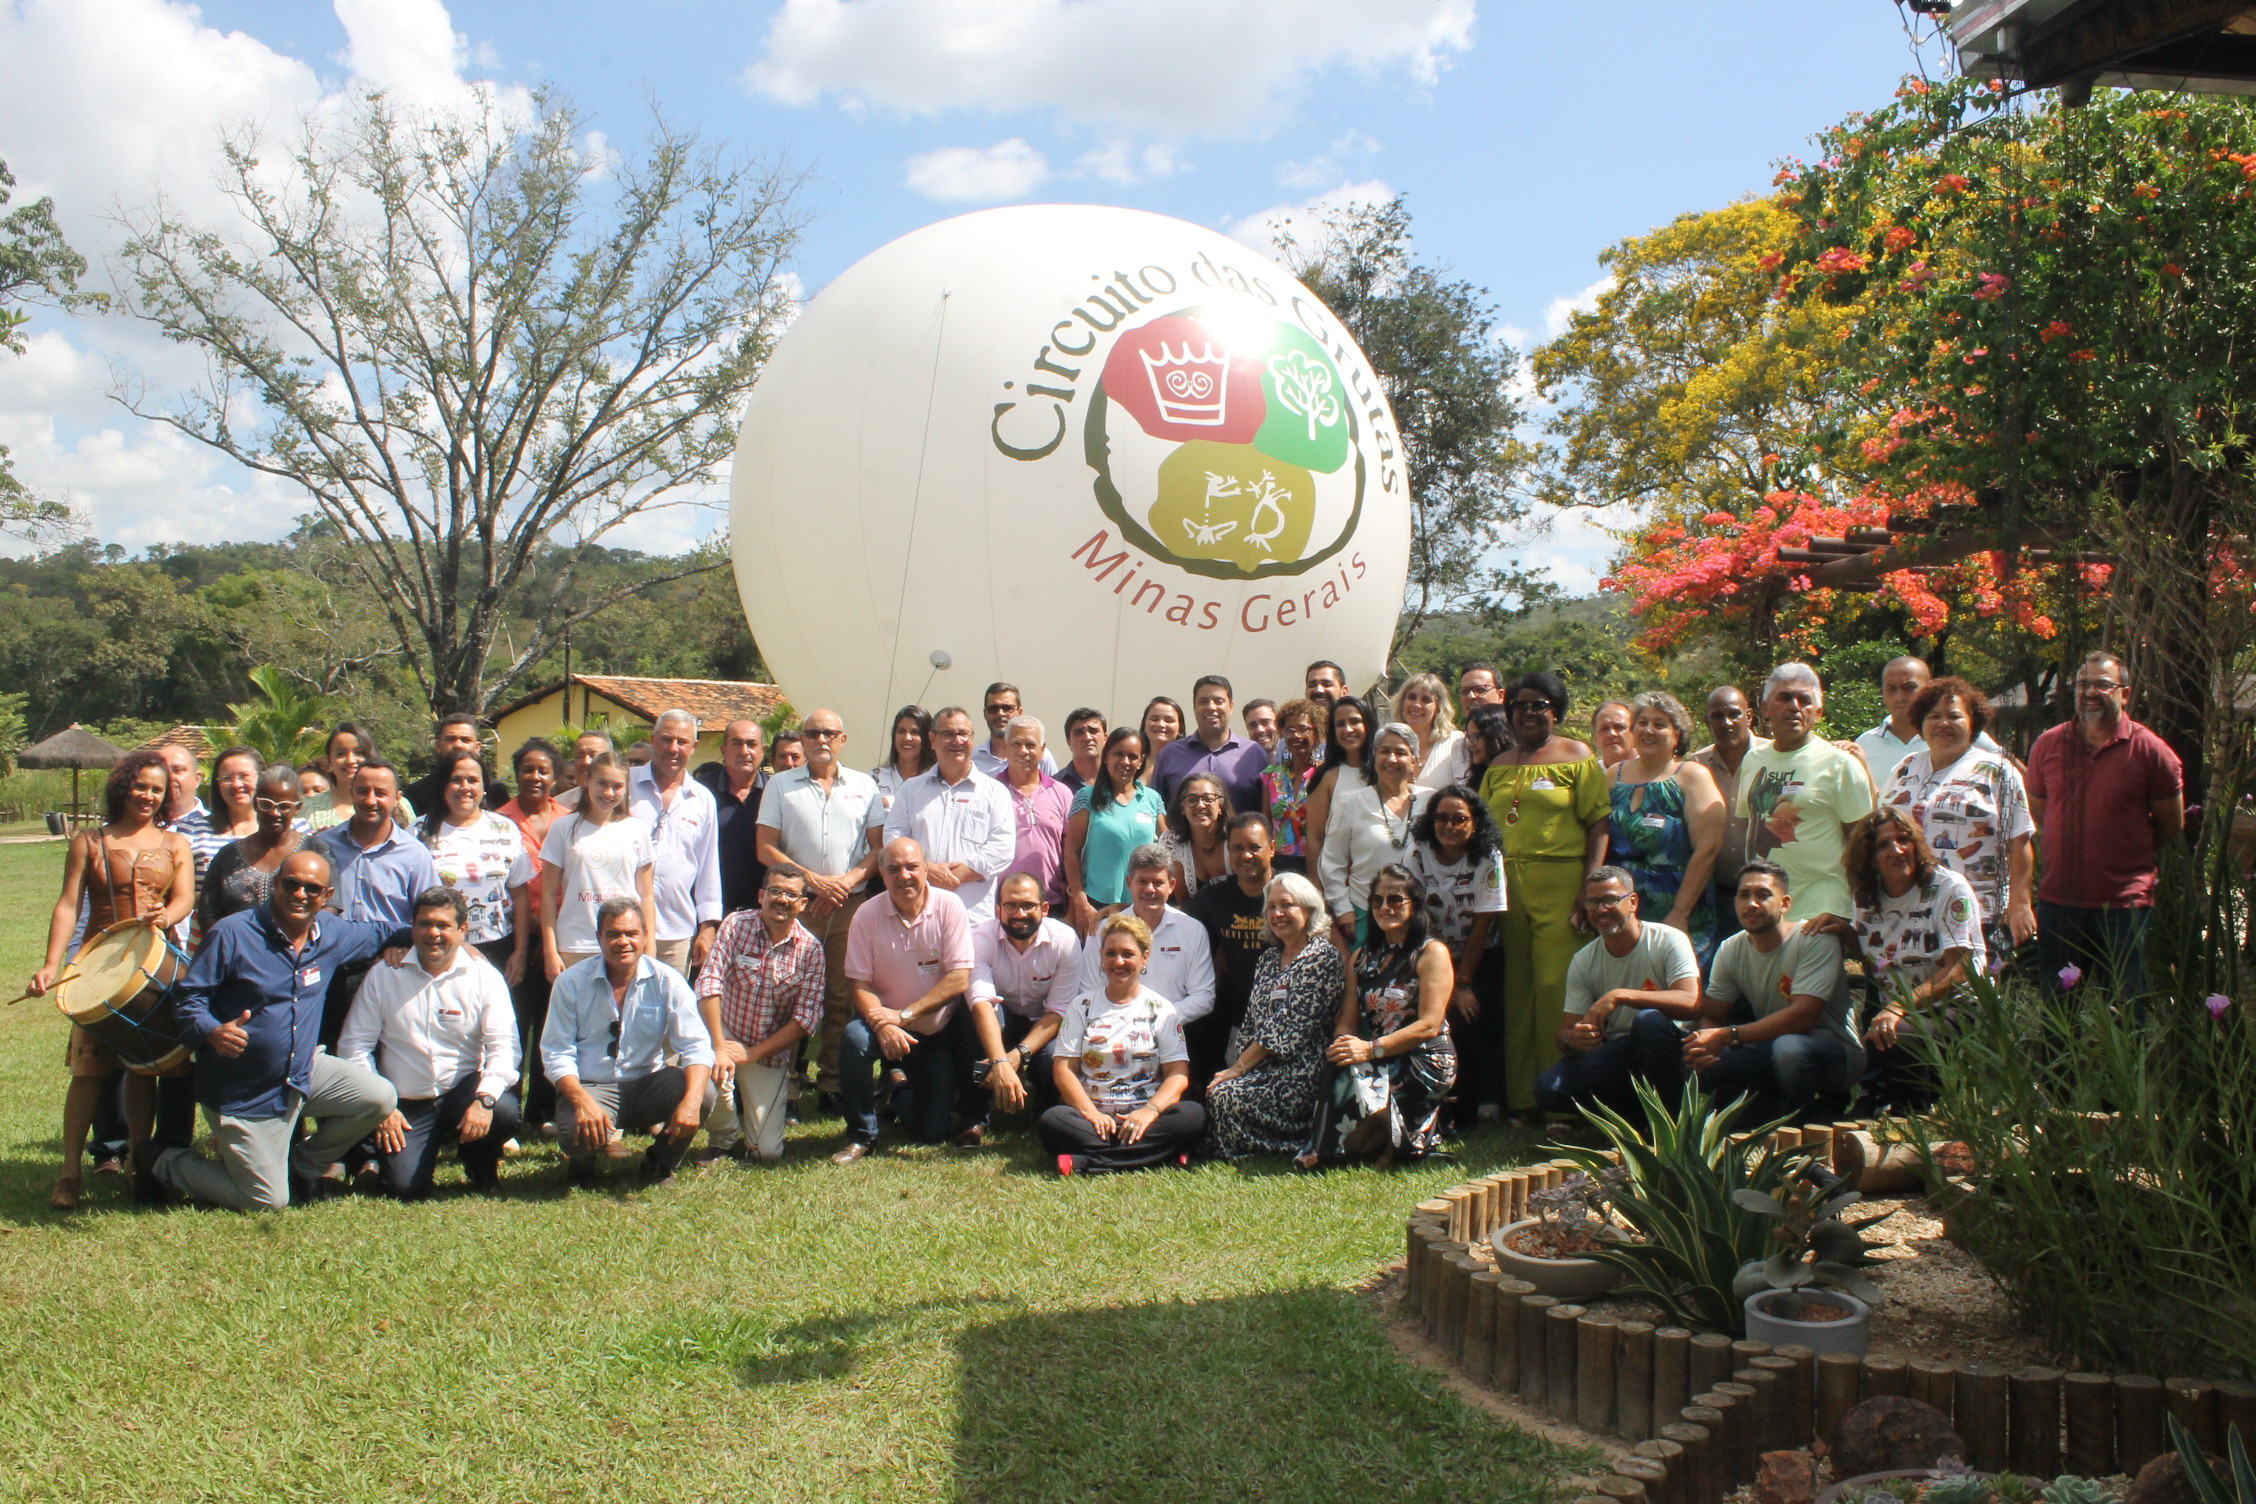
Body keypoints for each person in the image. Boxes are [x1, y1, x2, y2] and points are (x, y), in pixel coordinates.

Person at [143, 849, 406, 1210]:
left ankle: (304, 1165)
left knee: (379, 1097)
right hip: (242, 1091)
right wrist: (213, 1031)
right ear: (274, 886)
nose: (300, 894)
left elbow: (388, 931)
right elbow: (188, 1000)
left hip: (301, 1073)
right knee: (266, 1200)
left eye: (312, 889)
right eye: (291, 884)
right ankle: (163, 1161)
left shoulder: (331, 933)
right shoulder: (233, 933)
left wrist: (448, 942)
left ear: (327, 897)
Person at [27, 750, 195, 1210]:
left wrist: (167, 914)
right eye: (141, 785)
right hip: (97, 968)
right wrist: (51, 964)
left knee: (144, 1071)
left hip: (152, 963)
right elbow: (68, 905)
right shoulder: (88, 841)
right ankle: (68, 1174)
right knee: (88, 1072)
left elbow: (184, 899)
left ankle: (137, 1166)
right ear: (124, 786)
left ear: (166, 796)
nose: (148, 795)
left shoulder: (175, 844)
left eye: (157, 789)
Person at [1483, 672, 1611, 1121]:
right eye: (1519, 705)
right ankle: (1523, 1100)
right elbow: (1484, 829)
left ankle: (1562, 1099)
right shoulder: (1498, 765)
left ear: (1555, 711)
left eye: (1539, 705)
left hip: (1562, 883)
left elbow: (1599, 823)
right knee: (1518, 991)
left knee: (1556, 988)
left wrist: (1588, 888)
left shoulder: (1577, 756)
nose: (1528, 713)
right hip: (1508, 891)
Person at [338, 887, 521, 1198]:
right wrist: (381, 1106)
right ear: (413, 927)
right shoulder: (385, 975)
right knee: (405, 1188)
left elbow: (505, 1048)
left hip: (462, 1090)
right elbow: (354, 1046)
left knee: (503, 1109)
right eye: (424, 924)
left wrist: (485, 1100)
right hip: (405, 1102)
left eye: (444, 925)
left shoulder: (484, 976)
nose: (433, 933)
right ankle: (383, 1158)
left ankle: (480, 1162)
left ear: (463, 930)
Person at [2024, 651, 2183, 998]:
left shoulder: (2150, 750)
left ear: (2124, 693)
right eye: (2083, 684)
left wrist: (2123, 849)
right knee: (2057, 1014)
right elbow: (2040, 811)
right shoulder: (2048, 745)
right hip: (2059, 902)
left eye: (2102, 684)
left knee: (2126, 1014)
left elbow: (2171, 823)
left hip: (2123, 908)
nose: (2090, 691)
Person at [1811, 810, 1984, 1109]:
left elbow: (1959, 969)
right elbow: (1877, 964)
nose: (1898, 850)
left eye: (1904, 840)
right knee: (1880, 1027)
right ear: (1869, 858)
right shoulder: (1866, 899)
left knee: (1898, 1032)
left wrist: (1898, 1007)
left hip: (1958, 1008)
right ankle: (1882, 1106)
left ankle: (1915, 1120)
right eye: (1884, 845)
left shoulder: (1949, 889)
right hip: (1902, 1007)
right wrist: (1844, 931)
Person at [754, 707, 880, 1114]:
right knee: (787, 994)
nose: (821, 739)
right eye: (812, 733)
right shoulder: (780, 786)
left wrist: (843, 883)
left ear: (843, 739)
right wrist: (812, 882)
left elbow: (879, 847)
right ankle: (784, 1087)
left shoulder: (865, 785)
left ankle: (832, 1083)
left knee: (841, 996)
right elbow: (765, 846)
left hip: (849, 904)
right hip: (796, 905)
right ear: (803, 741)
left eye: (829, 733)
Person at [541, 898, 715, 1189]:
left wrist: (692, 1102)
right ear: (599, 938)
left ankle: (659, 1163)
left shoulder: (667, 980)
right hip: (592, 1088)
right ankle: (583, 1165)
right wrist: (582, 1101)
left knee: (704, 1093)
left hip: (648, 1085)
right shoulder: (570, 983)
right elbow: (556, 1053)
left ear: (646, 935)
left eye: (631, 933)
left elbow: (696, 1046)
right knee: (573, 1125)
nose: (623, 941)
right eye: (613, 934)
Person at [1302, 865, 1456, 1167]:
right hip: (1379, 1057)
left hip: (1423, 1057)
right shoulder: (1362, 957)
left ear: (1414, 905)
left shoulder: (1431, 953)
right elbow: (1347, 1017)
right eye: (1377, 901)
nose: (1385, 907)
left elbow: (1429, 1025)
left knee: (1366, 1076)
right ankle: (1339, 1145)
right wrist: (1343, 1043)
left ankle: (1397, 1142)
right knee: (1338, 1068)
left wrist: (1371, 1048)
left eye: (1396, 900)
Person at [833, 838, 976, 1162]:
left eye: (912, 867)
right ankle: (861, 1135)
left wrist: (905, 1016)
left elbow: (959, 978)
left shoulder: (949, 907)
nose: (904, 876)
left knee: (932, 1131)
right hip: (882, 1025)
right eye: (894, 869)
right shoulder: (866, 914)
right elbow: (859, 985)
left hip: (930, 1032)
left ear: (926, 869)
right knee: (854, 1039)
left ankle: (896, 1089)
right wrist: (884, 1024)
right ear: (882, 875)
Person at [1685, 861, 1861, 1122]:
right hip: (1771, 1045)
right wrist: (1705, 1049)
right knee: (1702, 1061)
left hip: (1835, 1053)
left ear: (1786, 903)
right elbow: (1713, 1014)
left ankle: (1810, 1121)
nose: (1752, 904)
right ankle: (1755, 1127)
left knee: (1789, 1049)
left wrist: (1728, 1035)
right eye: (1744, 895)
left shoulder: (1814, 938)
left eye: (1763, 894)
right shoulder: (1730, 949)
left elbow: (1803, 1017)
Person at [1878, 676, 2036, 953]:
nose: (1943, 724)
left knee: (1970, 991)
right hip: (1910, 909)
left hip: (1980, 911)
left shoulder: (1998, 771)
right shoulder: (1905, 767)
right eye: (1934, 716)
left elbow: (2019, 841)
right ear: (1920, 722)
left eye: (1954, 716)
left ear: (1973, 722)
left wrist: (2020, 903)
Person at [1040, 913, 1205, 1175]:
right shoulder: (1081, 1007)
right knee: (1052, 1121)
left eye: (1128, 954)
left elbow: (1177, 1075)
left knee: (1193, 1115)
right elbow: (1064, 1070)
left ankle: (1088, 1163)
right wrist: (1091, 1114)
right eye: (1111, 954)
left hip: (1148, 1119)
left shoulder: (1162, 1009)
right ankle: (1160, 1155)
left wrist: (1148, 1113)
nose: (1119, 961)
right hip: (1093, 1121)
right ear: (1101, 958)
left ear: (1145, 958)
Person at [1533, 867, 1701, 1121]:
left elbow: (1691, 1001)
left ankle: (1671, 1122)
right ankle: (1633, 1121)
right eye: (1592, 902)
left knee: (1648, 1021)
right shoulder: (1584, 960)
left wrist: (1620, 995)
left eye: (1610, 900)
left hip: (1672, 1047)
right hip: (1620, 1051)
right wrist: (1573, 1040)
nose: (1601, 910)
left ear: (1632, 902)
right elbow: (1565, 1031)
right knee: (1549, 1089)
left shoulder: (1668, 940)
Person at [1207, 871, 1346, 1158]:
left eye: (1287, 905)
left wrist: (1237, 1071)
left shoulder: (1322, 958)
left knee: (1226, 1095)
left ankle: (1289, 1147)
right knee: (1218, 1090)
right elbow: (1251, 1022)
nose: (1278, 913)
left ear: (1308, 910)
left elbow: (1285, 1030)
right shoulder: (1269, 959)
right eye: (1271, 907)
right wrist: (1236, 1068)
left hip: (1301, 1070)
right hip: (1262, 1066)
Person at [695, 864, 826, 1164]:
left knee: (766, 1153)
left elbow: (806, 1020)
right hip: (722, 1034)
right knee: (704, 1078)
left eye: (791, 894)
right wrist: (718, 1046)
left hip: (766, 1052)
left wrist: (750, 1054)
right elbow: (709, 982)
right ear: (761, 895)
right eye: (775, 891)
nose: (782, 899)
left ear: (803, 904)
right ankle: (724, 1136)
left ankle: (748, 1128)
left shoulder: (811, 951)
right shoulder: (735, 925)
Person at [310, 757, 441, 1046]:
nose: (371, 800)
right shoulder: (323, 845)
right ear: (351, 793)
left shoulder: (413, 854)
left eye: (380, 793)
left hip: (387, 969)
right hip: (329, 972)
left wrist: (404, 945)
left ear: (397, 799)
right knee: (325, 1053)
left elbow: (430, 916)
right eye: (362, 791)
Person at [1737, 664, 1875, 924]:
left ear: (1818, 712)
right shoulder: (1753, 761)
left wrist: (1848, 909)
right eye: (1784, 697)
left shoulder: (1839, 764)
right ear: (1765, 708)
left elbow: (1861, 841)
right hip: (1765, 908)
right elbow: (1749, 824)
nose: (1794, 706)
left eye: (1804, 700)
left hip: (1821, 909)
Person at [1406, 785, 1507, 1125]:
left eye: (1459, 819)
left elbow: (1482, 923)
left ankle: (1486, 1099)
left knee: (1478, 1016)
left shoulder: (1487, 855)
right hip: (1432, 950)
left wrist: (1462, 982)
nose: (1450, 826)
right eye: (1442, 818)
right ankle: (1445, 1102)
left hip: (1480, 951)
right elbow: (1416, 913)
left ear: (1474, 823)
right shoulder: (1418, 852)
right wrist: (1441, 971)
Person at [1608, 691, 1726, 965]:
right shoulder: (1613, 775)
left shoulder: (1692, 776)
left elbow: (1708, 849)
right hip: (1623, 910)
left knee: (1677, 994)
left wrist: (1680, 913)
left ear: (1677, 735)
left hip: (1679, 908)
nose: (1649, 730)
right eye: (1642, 722)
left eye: (1659, 724)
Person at [876, 706, 1017, 925]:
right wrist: (927, 870)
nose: (957, 741)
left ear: (972, 738)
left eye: (963, 734)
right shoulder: (911, 790)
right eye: (948, 734)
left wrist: (958, 875)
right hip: (917, 913)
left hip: (972, 919)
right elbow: (894, 835)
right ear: (932, 740)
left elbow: (1002, 848)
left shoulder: (995, 792)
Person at [964, 871, 1078, 1135]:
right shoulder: (981, 940)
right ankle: (975, 1116)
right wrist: (1000, 1061)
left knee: (1052, 1057)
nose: (1019, 913)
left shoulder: (1065, 941)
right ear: (998, 910)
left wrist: (1016, 1056)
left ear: (1045, 908)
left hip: (1044, 1022)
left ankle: (1043, 1113)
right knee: (973, 1026)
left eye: (1028, 905)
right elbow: (981, 1003)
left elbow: (1059, 1012)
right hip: (1001, 1017)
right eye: (1011, 905)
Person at [539, 751, 655, 982]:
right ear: (587, 781)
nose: (609, 793)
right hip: (576, 944)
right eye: (602, 783)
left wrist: (648, 946)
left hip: (625, 944)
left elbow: (647, 894)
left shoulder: (637, 829)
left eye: (617, 786)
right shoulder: (562, 828)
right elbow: (549, 894)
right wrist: (550, 951)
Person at [1070, 843, 1216, 1026]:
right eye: (1143, 881)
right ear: (1129, 883)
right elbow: (1088, 991)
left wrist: (1155, 1020)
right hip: (1111, 1028)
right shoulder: (1102, 930)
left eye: (1157, 883)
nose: (1150, 889)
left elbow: (1204, 996)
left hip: (1173, 1029)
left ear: (1171, 885)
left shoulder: (1192, 930)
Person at [419, 750, 533, 984]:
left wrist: (520, 953)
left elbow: (520, 895)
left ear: (484, 787)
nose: (464, 787)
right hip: (435, 946)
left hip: (498, 946)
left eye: (472, 780)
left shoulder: (505, 828)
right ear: (442, 785)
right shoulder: (418, 831)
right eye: (455, 780)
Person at [496, 738, 564, 1129]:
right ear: (516, 773)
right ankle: (505, 1110)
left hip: (558, 937)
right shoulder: (498, 821)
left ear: (555, 776)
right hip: (514, 937)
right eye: (527, 769)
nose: (535, 776)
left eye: (543, 770)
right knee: (513, 1023)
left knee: (551, 1024)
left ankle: (542, 1109)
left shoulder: (569, 819)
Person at [1187, 813, 1280, 1092]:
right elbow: (1176, 922)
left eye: (1254, 847)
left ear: (1272, 848)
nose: (1246, 855)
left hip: (1283, 1012)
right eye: (1237, 848)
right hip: (1233, 1014)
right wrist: (1122, 909)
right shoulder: (1215, 896)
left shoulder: (1291, 891)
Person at [1321, 722, 1432, 948]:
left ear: (1414, 761)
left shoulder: (1431, 801)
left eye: (1401, 752)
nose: (1391, 759)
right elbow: (1332, 861)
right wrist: (1343, 910)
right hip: (1366, 912)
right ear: (1374, 757)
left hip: (1420, 913)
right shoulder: (1351, 802)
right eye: (1385, 751)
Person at [628, 709, 722, 975]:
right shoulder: (625, 785)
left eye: (681, 742)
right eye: (666, 739)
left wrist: (707, 926)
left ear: (694, 747)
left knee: (667, 1009)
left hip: (676, 930)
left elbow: (708, 867)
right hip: (624, 926)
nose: (673, 748)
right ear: (652, 740)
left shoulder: (702, 799)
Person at [1687, 686, 1770, 945]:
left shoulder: (1775, 757)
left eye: (1734, 714)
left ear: (1749, 716)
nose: (1726, 722)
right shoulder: (1695, 766)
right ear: (1707, 721)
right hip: (1716, 897)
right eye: (1717, 716)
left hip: (1769, 896)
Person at [1062, 727, 1165, 936]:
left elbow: (1168, 846)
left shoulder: (1152, 799)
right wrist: (1080, 901)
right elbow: (1072, 851)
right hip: (1096, 904)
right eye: (1119, 754)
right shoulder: (1087, 797)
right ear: (1107, 756)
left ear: (1141, 760)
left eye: (1132, 756)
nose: (1125, 762)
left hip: (1142, 904)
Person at [1850, 656, 2002, 782]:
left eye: (1909, 687)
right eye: (1891, 689)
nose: (1900, 697)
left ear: (1928, 688)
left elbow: (2011, 777)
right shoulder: (1865, 743)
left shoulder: (1960, 736)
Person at [198, 763, 308, 937]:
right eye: (266, 804)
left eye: (284, 806)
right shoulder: (228, 856)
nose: (274, 813)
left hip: (300, 956)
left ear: (298, 807)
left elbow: (330, 906)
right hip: (237, 956)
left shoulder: (315, 851)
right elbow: (208, 913)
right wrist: (232, 946)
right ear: (256, 804)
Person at [1150, 674, 1267, 812]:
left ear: (1231, 706)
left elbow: (1267, 813)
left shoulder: (1254, 753)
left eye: (1218, 701)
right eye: (1203, 701)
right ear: (1194, 707)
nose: (1211, 707)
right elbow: (1156, 809)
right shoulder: (1170, 754)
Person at [693, 719, 770, 917]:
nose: (744, 751)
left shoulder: (775, 791)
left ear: (763, 751)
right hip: (711, 909)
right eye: (736, 743)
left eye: (751, 744)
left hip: (764, 911)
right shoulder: (700, 791)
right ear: (724, 749)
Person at [999, 714, 1072, 907]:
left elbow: (1072, 851)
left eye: (1030, 745)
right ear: (1005, 747)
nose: (1023, 751)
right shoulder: (989, 791)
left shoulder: (1061, 793)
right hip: (1003, 905)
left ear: (1042, 750)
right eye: (1016, 744)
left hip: (1051, 903)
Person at [1302, 693, 1374, 882]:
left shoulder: (1385, 773)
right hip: (1337, 882)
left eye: (1355, 721)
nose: (1348, 729)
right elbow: (1315, 837)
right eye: (1340, 724)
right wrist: (1316, 885)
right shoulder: (1327, 777)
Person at [187, 745, 265, 892]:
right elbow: (181, 893)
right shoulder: (192, 829)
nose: (236, 784)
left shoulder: (292, 828)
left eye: (244, 776)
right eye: (227, 778)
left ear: (262, 777)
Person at [1259, 698, 1325, 868]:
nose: (1296, 735)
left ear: (1316, 732)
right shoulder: (1271, 776)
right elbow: (1266, 825)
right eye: (1289, 730)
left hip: (1317, 862)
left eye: (1303, 729)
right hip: (1279, 863)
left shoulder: (1325, 775)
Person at [403, 713, 509, 817]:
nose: (458, 745)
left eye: (465, 740)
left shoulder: (496, 791)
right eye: (450, 739)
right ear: (438, 746)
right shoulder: (417, 792)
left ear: (477, 747)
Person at [1161, 771, 1233, 903]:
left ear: (1220, 806)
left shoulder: (1235, 839)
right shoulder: (1171, 843)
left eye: (1208, 799)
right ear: (1183, 808)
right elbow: (1181, 901)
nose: (1200, 805)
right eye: (1192, 800)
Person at [1396, 672, 1467, 790]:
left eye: (1426, 700)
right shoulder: (1389, 741)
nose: (1417, 705)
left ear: (1438, 707)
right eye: (1411, 697)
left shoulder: (1456, 742)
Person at [974, 682, 1058, 778]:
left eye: (1007, 708)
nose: (1000, 713)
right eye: (993, 709)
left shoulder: (1041, 757)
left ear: (1020, 712)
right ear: (985, 714)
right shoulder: (973, 760)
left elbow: (1054, 789)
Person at [871, 705, 934, 818]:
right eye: (901, 731)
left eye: (915, 732)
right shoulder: (875, 778)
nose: (907, 738)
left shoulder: (936, 781)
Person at [554, 729, 614, 812]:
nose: (586, 762)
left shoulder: (631, 803)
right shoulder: (560, 804)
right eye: (580, 756)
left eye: (593, 755)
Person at [1057, 708, 1107, 793]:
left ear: (1105, 738)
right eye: (1079, 733)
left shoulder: (1118, 780)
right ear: (1069, 742)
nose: (1087, 738)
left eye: (1093, 731)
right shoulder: (1055, 786)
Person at [1590, 700, 1635, 771]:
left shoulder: (1654, 772)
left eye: (1619, 727)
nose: (1611, 734)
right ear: (1596, 739)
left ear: (1635, 733)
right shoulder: (1587, 776)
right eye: (1604, 729)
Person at [1139, 695, 1184, 763]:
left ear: (1180, 728)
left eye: (1169, 720)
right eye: (1154, 719)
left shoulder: (1187, 763)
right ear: (1144, 724)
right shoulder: (1132, 761)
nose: (1161, 724)